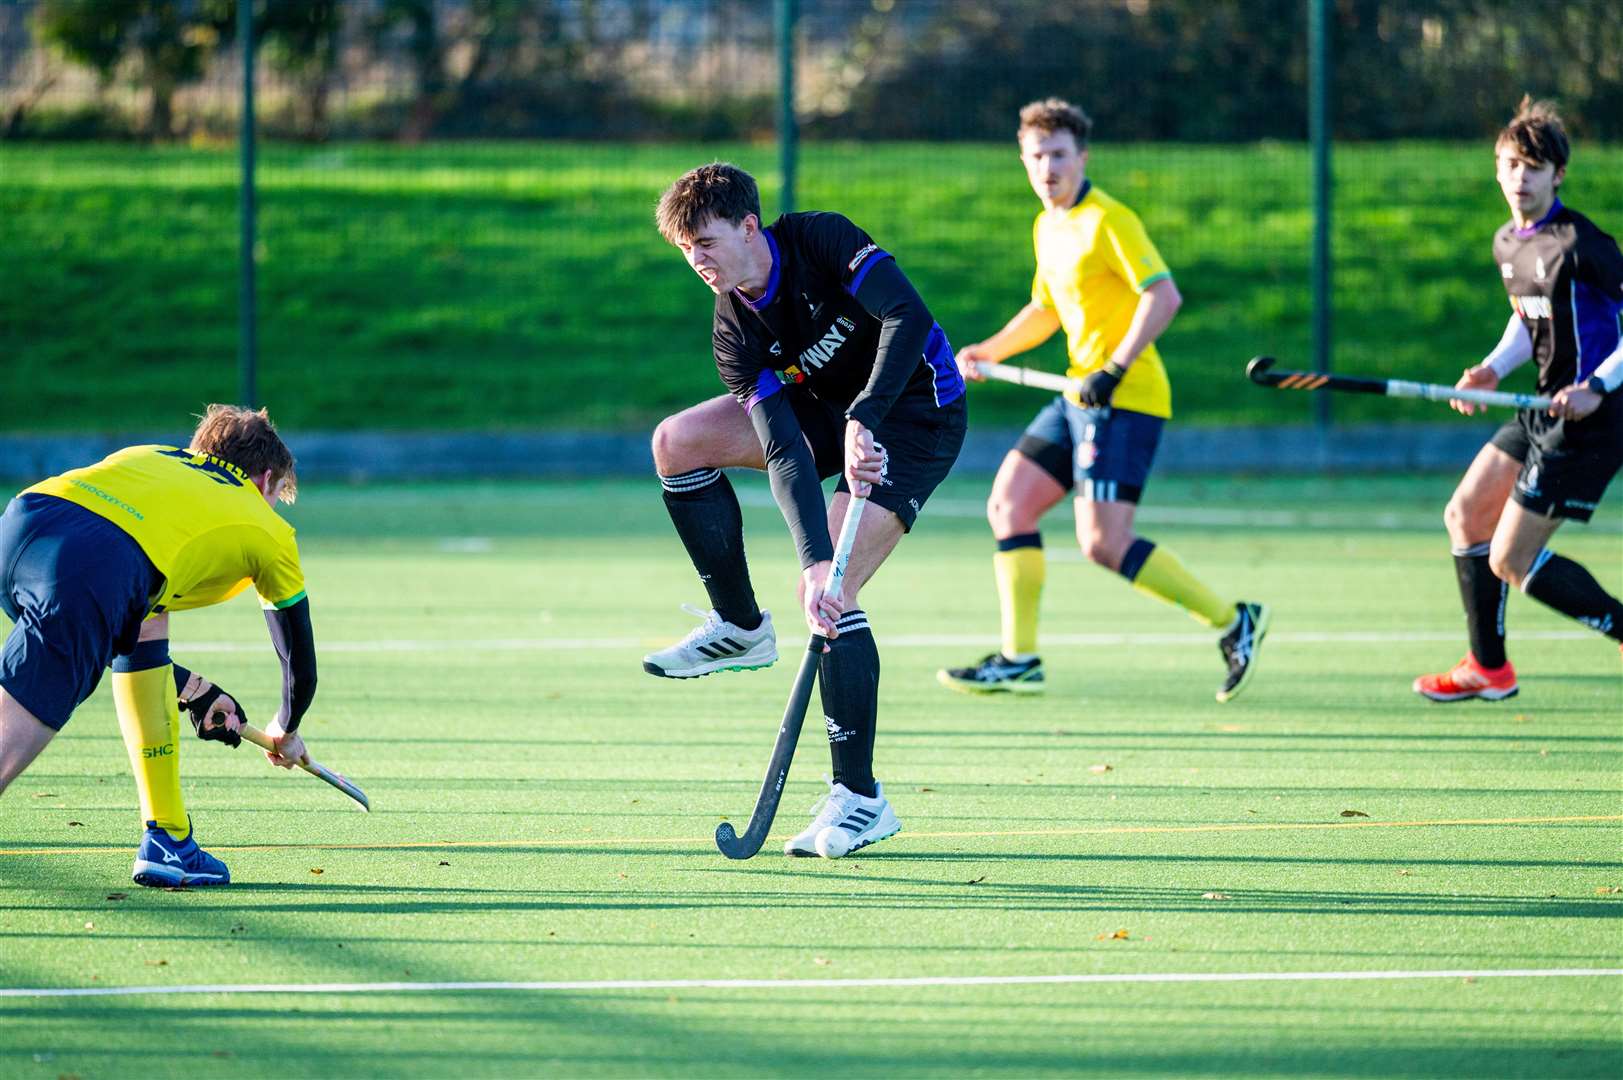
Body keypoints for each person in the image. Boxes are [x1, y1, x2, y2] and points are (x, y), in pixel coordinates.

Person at [647, 162, 966, 857]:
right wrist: (814, 558)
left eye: (705, 242)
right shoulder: (733, 329)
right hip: (824, 413)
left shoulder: (820, 240)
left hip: (916, 413)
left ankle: (859, 801)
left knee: (830, 594)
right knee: (677, 444)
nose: (696, 261)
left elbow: (905, 314)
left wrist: (867, 417)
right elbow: (784, 451)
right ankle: (739, 627)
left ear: (748, 226)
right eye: (684, 250)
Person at [936, 98, 1268, 703]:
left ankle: (1231, 620)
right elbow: (1046, 309)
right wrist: (990, 350)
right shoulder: (1048, 225)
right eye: (1037, 156)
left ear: (1082, 157)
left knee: (1103, 543)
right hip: (1075, 394)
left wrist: (1114, 370)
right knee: (1010, 505)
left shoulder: (1109, 219)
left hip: (1126, 397)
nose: (1048, 168)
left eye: (1059, 155)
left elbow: (1163, 297)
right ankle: (1020, 659)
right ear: (1024, 159)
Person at [0, 405, 319, 885]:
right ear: (266, 480)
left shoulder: (155, 458)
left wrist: (192, 689)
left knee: (146, 621)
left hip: (26, 517)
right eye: (275, 496)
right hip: (95, 563)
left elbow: (125, 635)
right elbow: (301, 667)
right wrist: (286, 727)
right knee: (21, 715)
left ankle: (168, 839)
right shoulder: (269, 531)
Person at [1413, 96, 1623, 701]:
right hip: (1539, 407)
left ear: (1558, 174)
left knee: (1509, 557)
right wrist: (1489, 370)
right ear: (1497, 169)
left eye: (1534, 167)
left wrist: (1598, 387)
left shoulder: (1583, 243)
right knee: (1465, 514)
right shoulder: (1509, 241)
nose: (1520, 178)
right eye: (1510, 164)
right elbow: (1525, 320)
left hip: (1593, 418)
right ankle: (1488, 668)